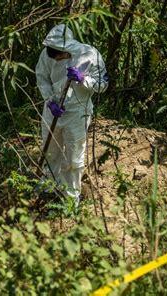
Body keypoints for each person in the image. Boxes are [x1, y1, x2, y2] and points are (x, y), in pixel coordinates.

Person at [36, 24, 108, 207]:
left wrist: (84, 79)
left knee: (73, 156)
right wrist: (50, 100)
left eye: (60, 55)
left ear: (66, 49)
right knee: (50, 151)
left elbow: (102, 85)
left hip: (78, 112)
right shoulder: (47, 54)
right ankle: (49, 189)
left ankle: (70, 199)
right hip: (53, 110)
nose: (58, 58)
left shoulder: (90, 55)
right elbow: (42, 77)